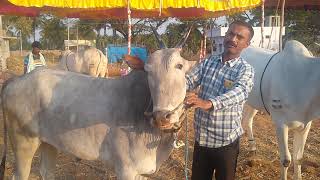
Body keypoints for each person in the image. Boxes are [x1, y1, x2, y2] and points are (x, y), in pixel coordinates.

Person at [185, 20, 255, 180]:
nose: (233, 39)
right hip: (202, 140)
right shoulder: (208, 62)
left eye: (240, 37)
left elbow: (241, 92)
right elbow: (189, 80)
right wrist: (175, 84)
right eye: (231, 34)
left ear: (247, 44)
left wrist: (209, 103)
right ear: (225, 35)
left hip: (226, 143)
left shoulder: (245, 69)